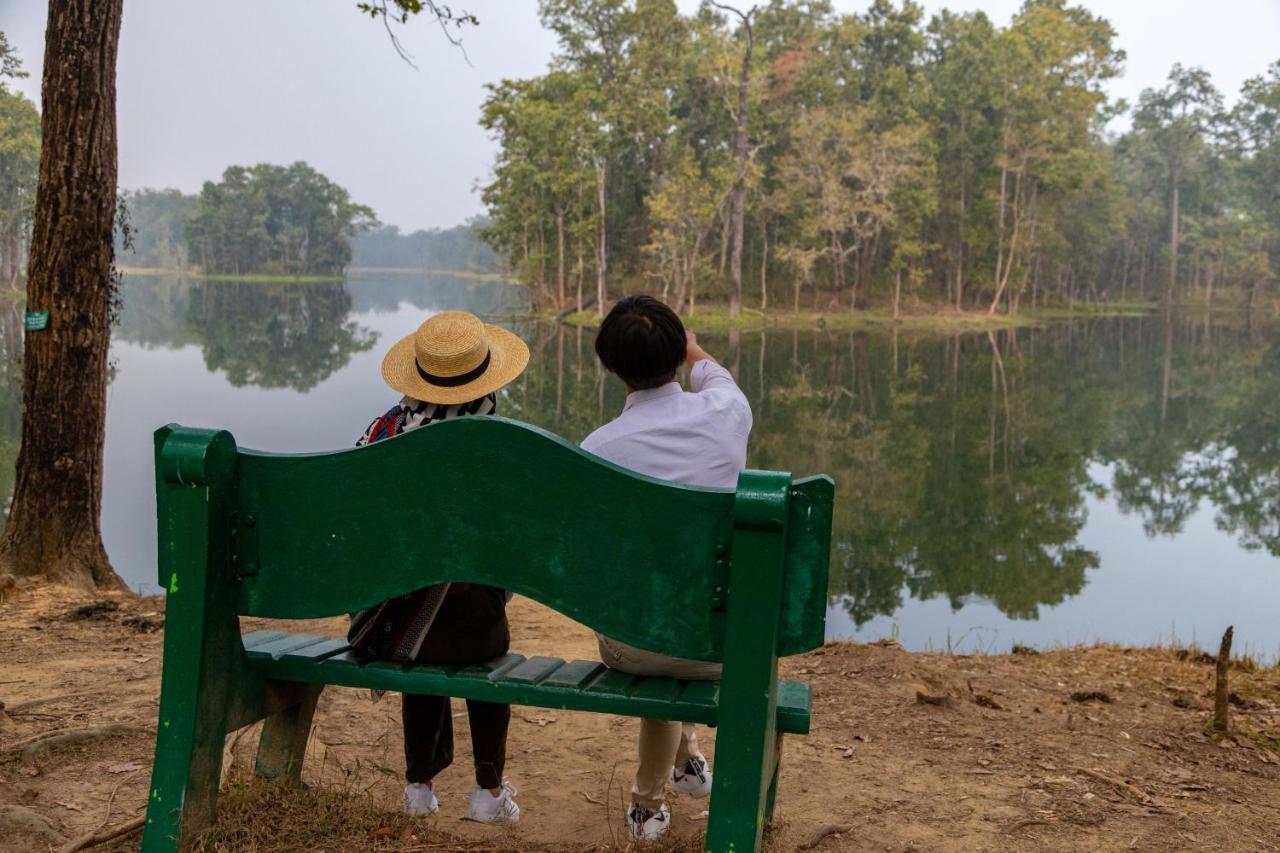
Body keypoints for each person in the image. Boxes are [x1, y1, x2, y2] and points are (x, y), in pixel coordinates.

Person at [580, 294, 752, 841]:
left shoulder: (599, 450)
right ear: (679, 355)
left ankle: (649, 806)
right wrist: (692, 347)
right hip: (732, 645)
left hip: (636, 647)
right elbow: (712, 372)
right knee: (679, 618)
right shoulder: (729, 412)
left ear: (609, 367)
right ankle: (686, 766)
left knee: (654, 622)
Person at [355, 310, 529, 823]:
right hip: (473, 629)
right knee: (476, 616)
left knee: (424, 615)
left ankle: (418, 788)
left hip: (388, 626)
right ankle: (490, 793)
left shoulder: (383, 431)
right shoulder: (497, 446)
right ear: (485, 377)